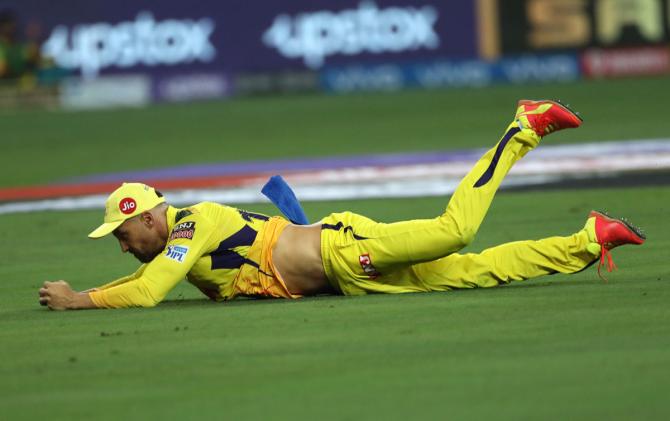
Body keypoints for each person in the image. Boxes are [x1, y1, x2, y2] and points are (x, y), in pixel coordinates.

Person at [38, 99, 646, 310]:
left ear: (148, 217)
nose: (122, 242)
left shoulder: (192, 223)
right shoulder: (176, 244)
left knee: (454, 231)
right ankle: (590, 241)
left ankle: (523, 129)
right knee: (479, 271)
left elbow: (147, 290)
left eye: (122, 232)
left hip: (344, 252)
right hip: (348, 280)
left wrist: (76, 301)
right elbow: (144, 275)